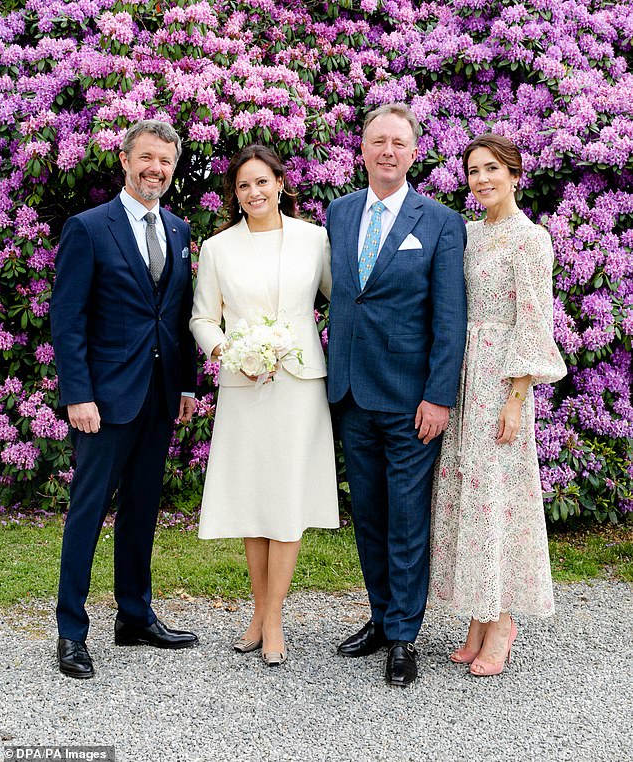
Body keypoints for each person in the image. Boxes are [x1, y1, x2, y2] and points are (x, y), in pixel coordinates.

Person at [50, 120, 199, 679]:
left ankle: (134, 616)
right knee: (87, 512)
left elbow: (178, 318)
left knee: (141, 511)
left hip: (158, 397)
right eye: (145, 158)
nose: (154, 169)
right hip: (103, 401)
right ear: (125, 160)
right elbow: (67, 321)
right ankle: (70, 630)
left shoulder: (180, 232)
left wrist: (185, 384)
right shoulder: (88, 229)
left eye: (164, 160)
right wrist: (78, 394)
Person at [326, 103, 468, 686]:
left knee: (407, 519)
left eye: (398, 143)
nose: (387, 151)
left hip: (413, 402)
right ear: (362, 149)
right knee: (369, 515)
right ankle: (382, 617)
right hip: (352, 394)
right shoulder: (338, 213)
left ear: (414, 152)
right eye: (377, 141)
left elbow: (450, 317)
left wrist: (438, 397)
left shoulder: (438, 221)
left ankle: (406, 635)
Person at [190, 145, 339, 666]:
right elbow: (203, 319)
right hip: (244, 386)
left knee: (287, 500)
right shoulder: (217, 248)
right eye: (243, 185)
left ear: (280, 183)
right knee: (254, 500)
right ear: (235, 194)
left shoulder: (314, 239)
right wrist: (230, 353)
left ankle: (273, 618)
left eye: (262, 182)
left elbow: (341, 300)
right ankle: (260, 611)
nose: (253, 192)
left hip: (300, 386)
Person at [429, 133, 567, 676]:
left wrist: (516, 395)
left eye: (492, 169)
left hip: (501, 379)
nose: (481, 179)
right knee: (469, 490)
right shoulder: (467, 234)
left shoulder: (529, 238)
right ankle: (478, 615)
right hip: (464, 373)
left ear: (514, 174)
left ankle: (502, 618)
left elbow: (534, 320)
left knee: (498, 496)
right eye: (472, 171)